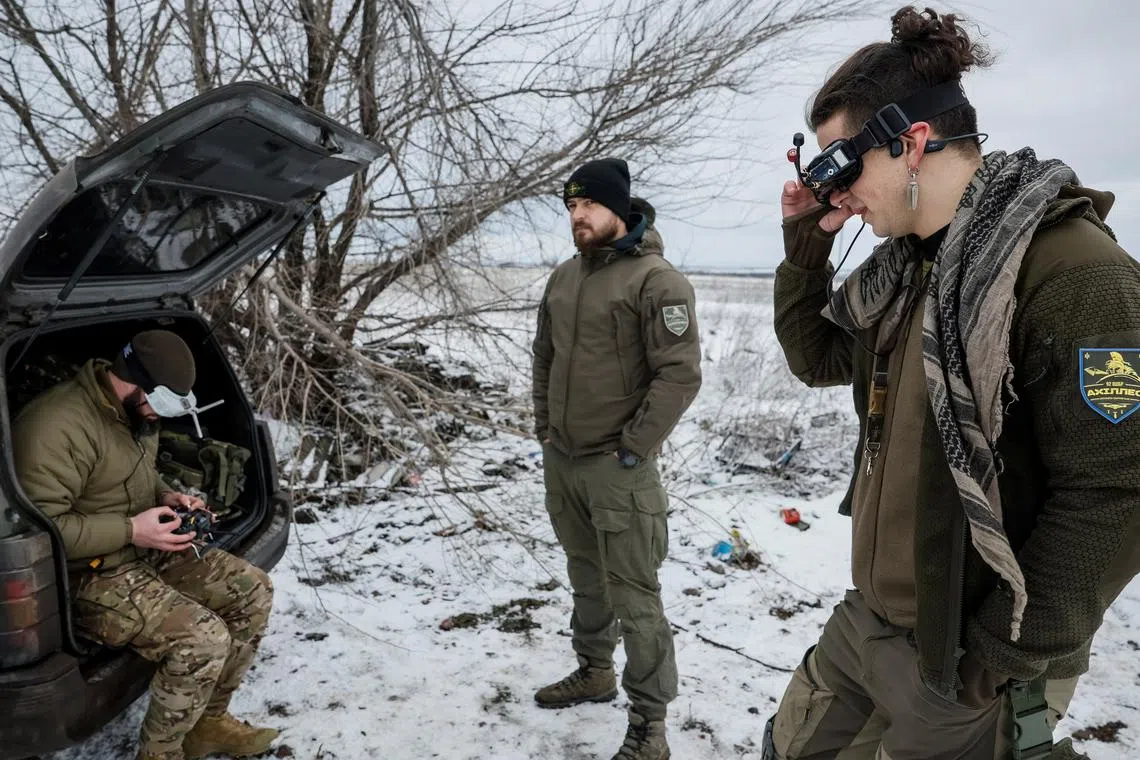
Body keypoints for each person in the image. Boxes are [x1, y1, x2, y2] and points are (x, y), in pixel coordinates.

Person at [768, 6, 1140, 760]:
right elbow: (817, 358)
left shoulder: (1075, 275)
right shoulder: (907, 270)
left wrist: (995, 661)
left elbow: (1117, 492)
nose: (838, 195)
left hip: (965, 655)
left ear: (911, 143)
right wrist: (806, 242)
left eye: (843, 169)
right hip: (870, 617)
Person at [12, 330, 278, 760]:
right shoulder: (55, 428)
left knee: (253, 590)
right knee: (202, 638)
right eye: (164, 403)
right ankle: (159, 754)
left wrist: (167, 496)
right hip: (86, 575)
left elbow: (131, 475)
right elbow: (41, 533)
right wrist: (131, 530)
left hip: (141, 547)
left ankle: (205, 724)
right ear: (133, 380)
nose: (162, 416)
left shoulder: (137, 413)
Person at [531, 158, 702, 760]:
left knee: (635, 596)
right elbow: (544, 357)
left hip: (618, 469)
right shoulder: (563, 278)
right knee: (585, 575)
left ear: (618, 208)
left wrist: (634, 447)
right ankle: (593, 670)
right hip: (566, 461)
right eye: (570, 206)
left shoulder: (656, 281)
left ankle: (649, 724)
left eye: (588, 205)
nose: (577, 216)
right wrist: (545, 427)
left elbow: (679, 377)